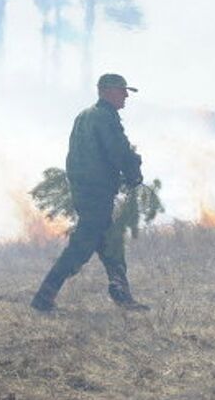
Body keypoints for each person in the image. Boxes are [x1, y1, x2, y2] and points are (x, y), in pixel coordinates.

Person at [31, 74, 149, 312]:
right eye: (122, 91)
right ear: (106, 91)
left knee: (110, 243)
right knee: (82, 246)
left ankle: (122, 295)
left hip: (86, 191)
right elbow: (117, 150)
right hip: (96, 193)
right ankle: (43, 299)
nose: (126, 96)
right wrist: (133, 170)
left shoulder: (85, 116)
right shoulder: (105, 117)